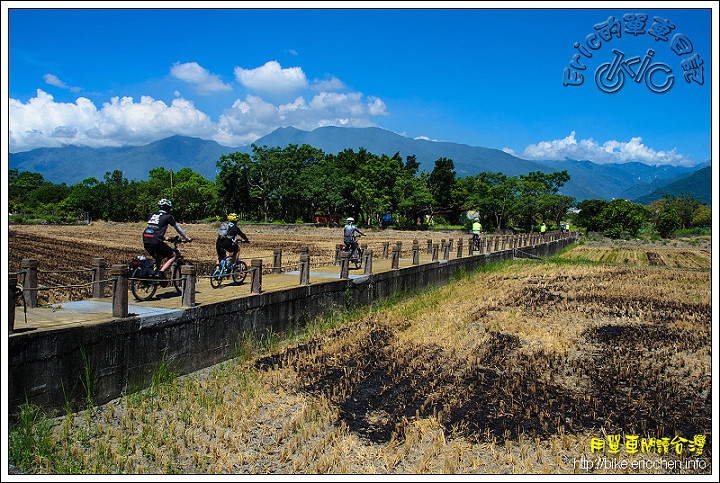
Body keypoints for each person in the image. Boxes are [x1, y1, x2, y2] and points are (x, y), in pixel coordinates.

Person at [142, 198, 192, 278]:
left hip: (146, 239)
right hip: (156, 241)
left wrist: (166, 238)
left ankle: (154, 273)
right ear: (168, 208)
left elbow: (154, 229)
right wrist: (186, 238)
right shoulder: (168, 216)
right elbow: (178, 228)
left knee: (159, 256)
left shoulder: (152, 215)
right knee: (173, 256)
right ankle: (160, 273)